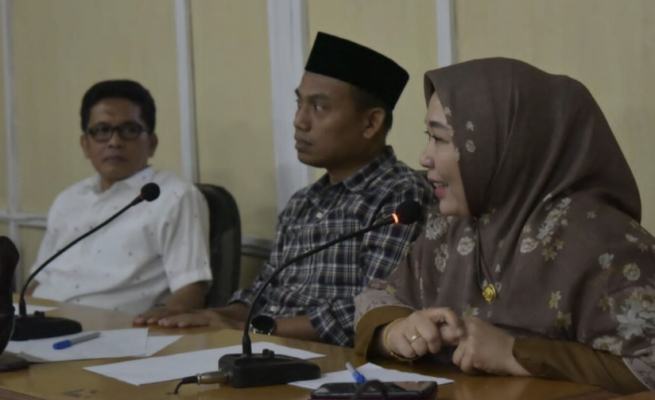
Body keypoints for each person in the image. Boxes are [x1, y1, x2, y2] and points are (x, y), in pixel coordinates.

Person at [354, 58, 654, 393]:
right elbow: (377, 296)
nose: (424, 158)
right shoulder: (453, 227)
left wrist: (515, 354)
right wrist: (396, 332)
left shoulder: (601, 243)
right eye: (430, 137)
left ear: (505, 145)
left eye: (440, 139)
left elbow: (648, 364)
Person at [135, 32, 432, 347]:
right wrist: (211, 316)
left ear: (371, 123)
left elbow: (372, 311)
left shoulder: (401, 196)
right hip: (267, 348)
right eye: (299, 103)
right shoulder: (302, 202)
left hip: (331, 362)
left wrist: (252, 328)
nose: (299, 121)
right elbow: (262, 293)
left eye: (319, 107)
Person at [28, 80, 212, 315]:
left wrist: (149, 326)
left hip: (110, 331)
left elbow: (191, 292)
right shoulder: (68, 199)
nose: (115, 142)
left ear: (152, 143)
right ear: (85, 145)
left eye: (129, 130)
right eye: (102, 131)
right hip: (36, 323)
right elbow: (37, 279)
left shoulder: (175, 196)